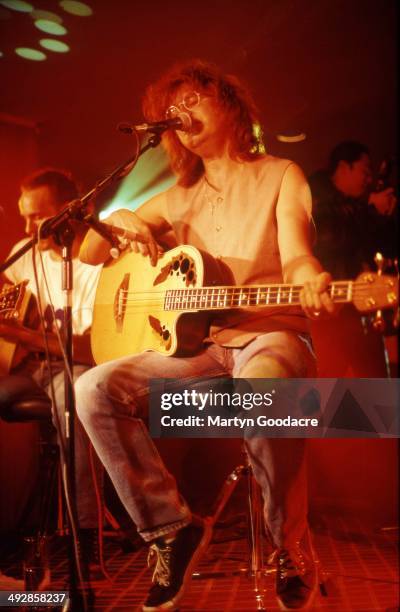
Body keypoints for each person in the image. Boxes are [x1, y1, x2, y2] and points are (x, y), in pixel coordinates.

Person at [75, 60, 335, 611]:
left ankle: (288, 544)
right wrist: (125, 224)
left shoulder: (281, 174)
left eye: (193, 99)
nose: (181, 114)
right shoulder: (176, 195)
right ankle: (170, 528)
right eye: (172, 109)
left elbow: (299, 254)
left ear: (230, 106)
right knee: (92, 388)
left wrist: (312, 280)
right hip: (204, 347)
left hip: (272, 332)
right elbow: (89, 252)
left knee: (261, 389)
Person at [0, 168, 104, 578]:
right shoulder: (25, 250)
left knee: (73, 408)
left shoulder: (97, 266)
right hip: (30, 369)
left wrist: (21, 334)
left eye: (36, 216)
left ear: (68, 213)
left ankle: (86, 537)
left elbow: (92, 347)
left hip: (78, 366)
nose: (27, 228)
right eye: (24, 217)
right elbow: (7, 293)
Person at [309, 140, 397, 279]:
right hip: (329, 287)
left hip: (353, 289)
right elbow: (328, 236)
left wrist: (383, 216)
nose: (369, 180)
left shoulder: (355, 207)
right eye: (365, 171)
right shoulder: (314, 192)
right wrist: (370, 203)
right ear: (344, 167)